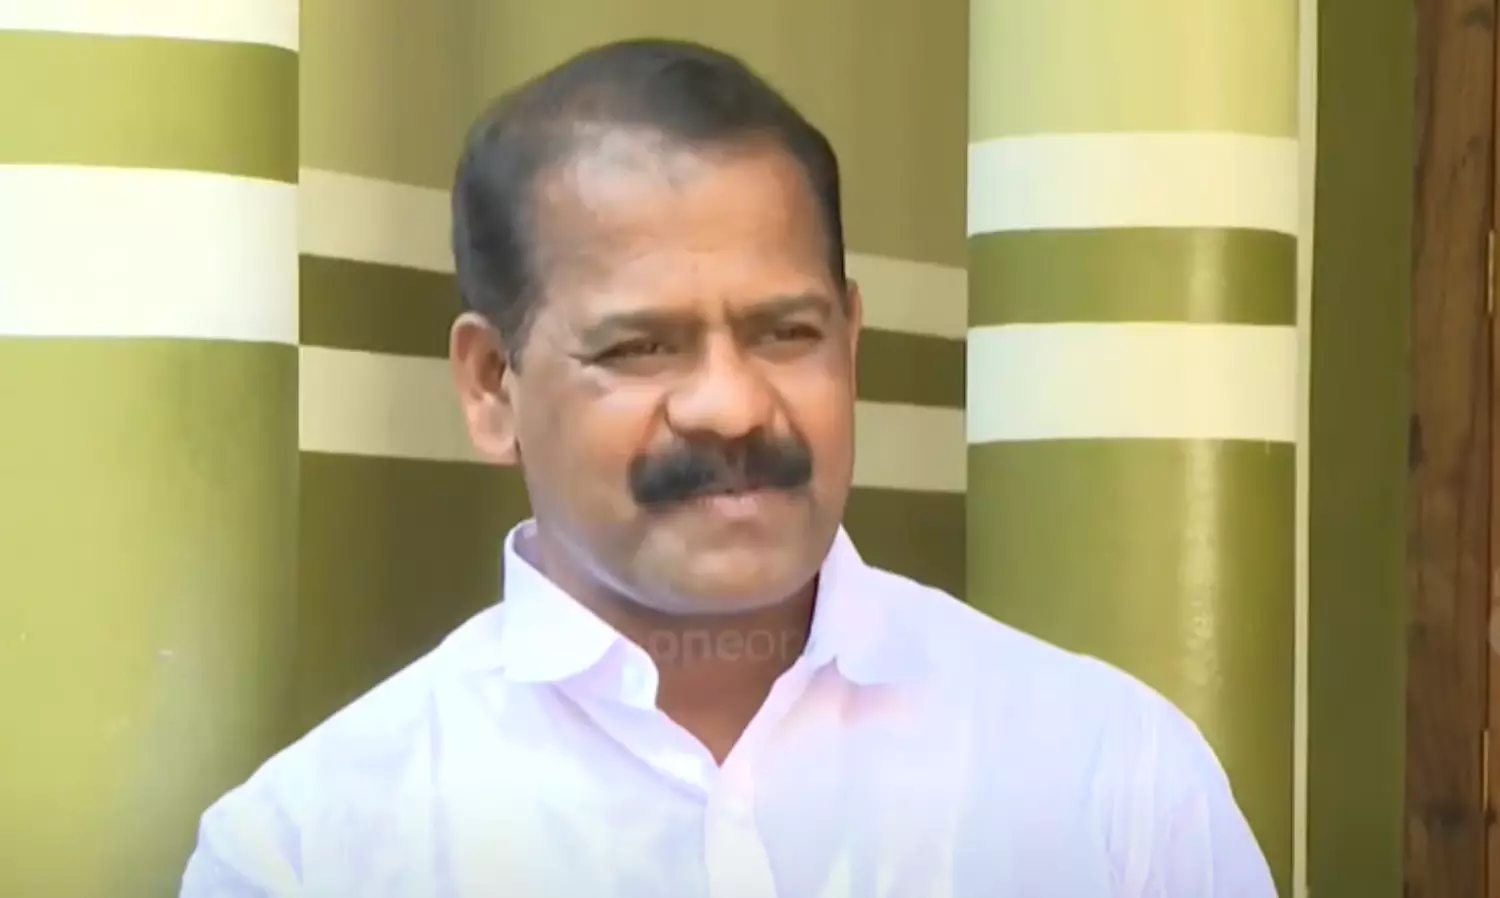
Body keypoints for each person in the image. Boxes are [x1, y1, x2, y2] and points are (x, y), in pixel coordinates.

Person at [180, 38, 1277, 897]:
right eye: (639, 347)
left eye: (786, 332)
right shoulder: (309, 853)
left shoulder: (1115, 781)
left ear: (851, 340)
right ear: (491, 386)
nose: (733, 405)